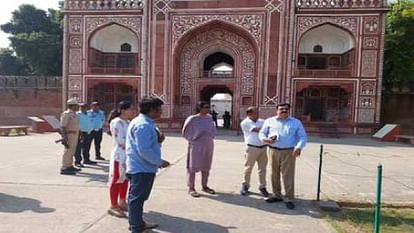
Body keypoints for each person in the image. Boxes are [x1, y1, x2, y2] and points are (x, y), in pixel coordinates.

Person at [126, 96, 170, 233]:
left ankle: (137, 222)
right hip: (141, 168)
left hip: (141, 166)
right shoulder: (143, 125)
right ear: (152, 109)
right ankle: (136, 227)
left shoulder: (144, 122)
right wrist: (159, 162)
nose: (161, 112)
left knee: (137, 197)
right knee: (137, 198)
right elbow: (144, 150)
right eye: (159, 109)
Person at [258, 103, 307, 210]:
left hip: (289, 151)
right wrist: (265, 139)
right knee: (273, 174)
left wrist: (298, 147)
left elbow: (303, 137)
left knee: (287, 175)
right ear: (277, 110)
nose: (284, 110)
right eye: (281, 109)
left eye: (286, 109)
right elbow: (261, 133)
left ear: (289, 110)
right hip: (273, 150)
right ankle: (277, 195)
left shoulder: (295, 122)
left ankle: (289, 198)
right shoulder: (269, 121)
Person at [182, 101, 217, 198]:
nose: (207, 109)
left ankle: (205, 186)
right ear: (200, 108)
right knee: (193, 166)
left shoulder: (209, 118)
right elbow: (185, 132)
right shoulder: (192, 119)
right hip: (196, 145)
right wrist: (193, 138)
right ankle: (191, 187)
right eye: (206, 107)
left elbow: (213, 130)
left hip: (208, 144)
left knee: (206, 166)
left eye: (208, 107)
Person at [107, 101, 135, 218]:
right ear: (123, 110)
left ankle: (122, 201)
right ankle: (113, 205)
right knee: (116, 179)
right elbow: (120, 140)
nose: (132, 112)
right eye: (130, 109)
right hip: (120, 154)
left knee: (125, 179)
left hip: (128, 154)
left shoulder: (128, 122)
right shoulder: (117, 122)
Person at [239, 107, 269, 197]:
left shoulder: (262, 121)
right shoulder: (245, 122)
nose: (258, 114)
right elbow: (258, 130)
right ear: (249, 114)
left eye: (257, 112)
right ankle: (245, 185)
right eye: (255, 112)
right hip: (251, 148)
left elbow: (268, 130)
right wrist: (264, 129)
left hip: (263, 147)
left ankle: (262, 187)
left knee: (262, 169)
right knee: (248, 168)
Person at [60, 98, 81, 175]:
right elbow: (63, 126)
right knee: (68, 151)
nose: (78, 107)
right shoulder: (66, 114)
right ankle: (64, 167)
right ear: (72, 106)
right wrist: (64, 137)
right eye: (76, 105)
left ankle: (69, 165)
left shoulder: (75, 114)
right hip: (69, 135)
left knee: (72, 151)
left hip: (75, 135)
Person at [74, 103, 95, 167]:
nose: (83, 108)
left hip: (88, 132)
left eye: (84, 107)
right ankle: (78, 161)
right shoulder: (77, 114)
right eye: (81, 107)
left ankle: (86, 159)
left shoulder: (88, 114)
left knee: (87, 146)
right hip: (81, 132)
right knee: (78, 147)